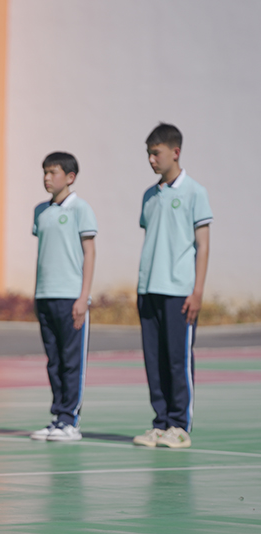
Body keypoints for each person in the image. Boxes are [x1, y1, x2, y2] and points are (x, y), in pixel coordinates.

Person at [133, 123, 212, 449]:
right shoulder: (149, 196)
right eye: (148, 154)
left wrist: (197, 291)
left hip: (179, 291)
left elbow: (202, 246)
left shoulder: (195, 192)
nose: (151, 159)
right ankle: (161, 423)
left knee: (178, 360)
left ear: (175, 152)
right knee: (154, 361)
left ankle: (179, 425)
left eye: (156, 153)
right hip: (148, 290)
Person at [29, 152, 97, 442]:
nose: (46, 178)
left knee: (71, 361)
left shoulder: (81, 209)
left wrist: (84, 297)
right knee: (54, 361)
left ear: (70, 177)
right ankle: (58, 418)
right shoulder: (40, 211)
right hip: (45, 296)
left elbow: (89, 253)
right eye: (44, 172)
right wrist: (37, 293)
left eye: (53, 172)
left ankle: (71, 421)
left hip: (71, 297)